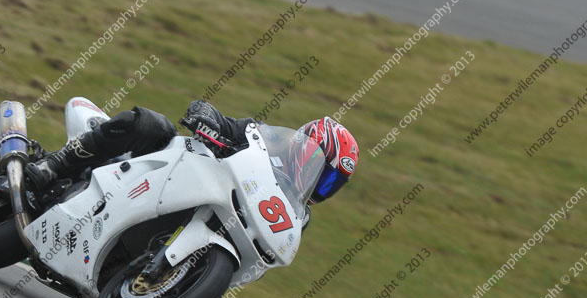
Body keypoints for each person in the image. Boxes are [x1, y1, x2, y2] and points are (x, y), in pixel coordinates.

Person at [25, 99, 358, 208]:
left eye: (332, 184)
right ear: (306, 148)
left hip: (193, 209)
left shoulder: (294, 216)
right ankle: (54, 165)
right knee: (150, 124)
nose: (321, 185)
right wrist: (205, 120)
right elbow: (212, 114)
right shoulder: (259, 137)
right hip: (170, 175)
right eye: (323, 172)